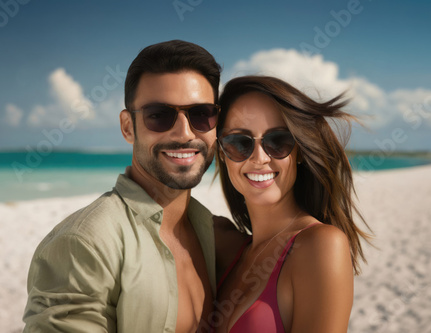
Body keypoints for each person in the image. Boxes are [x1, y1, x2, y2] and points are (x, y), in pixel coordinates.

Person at [23, 40, 222, 332]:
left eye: (201, 114)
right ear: (128, 127)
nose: (184, 132)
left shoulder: (213, 233)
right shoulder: (85, 244)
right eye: (159, 115)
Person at [211, 76, 372, 332]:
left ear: (298, 150)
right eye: (239, 143)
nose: (260, 158)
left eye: (277, 141)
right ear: (221, 151)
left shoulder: (321, 245)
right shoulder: (227, 246)